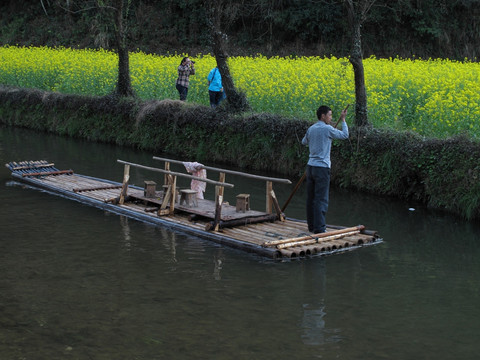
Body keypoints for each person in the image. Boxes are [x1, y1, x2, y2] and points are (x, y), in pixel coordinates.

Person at [302, 105, 349, 234]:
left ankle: (311, 226)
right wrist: (343, 120)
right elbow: (345, 135)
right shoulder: (328, 129)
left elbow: (304, 142)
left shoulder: (311, 129)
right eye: (329, 115)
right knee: (321, 199)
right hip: (322, 168)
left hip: (310, 167)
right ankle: (320, 228)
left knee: (311, 198)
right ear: (323, 116)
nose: (331, 118)